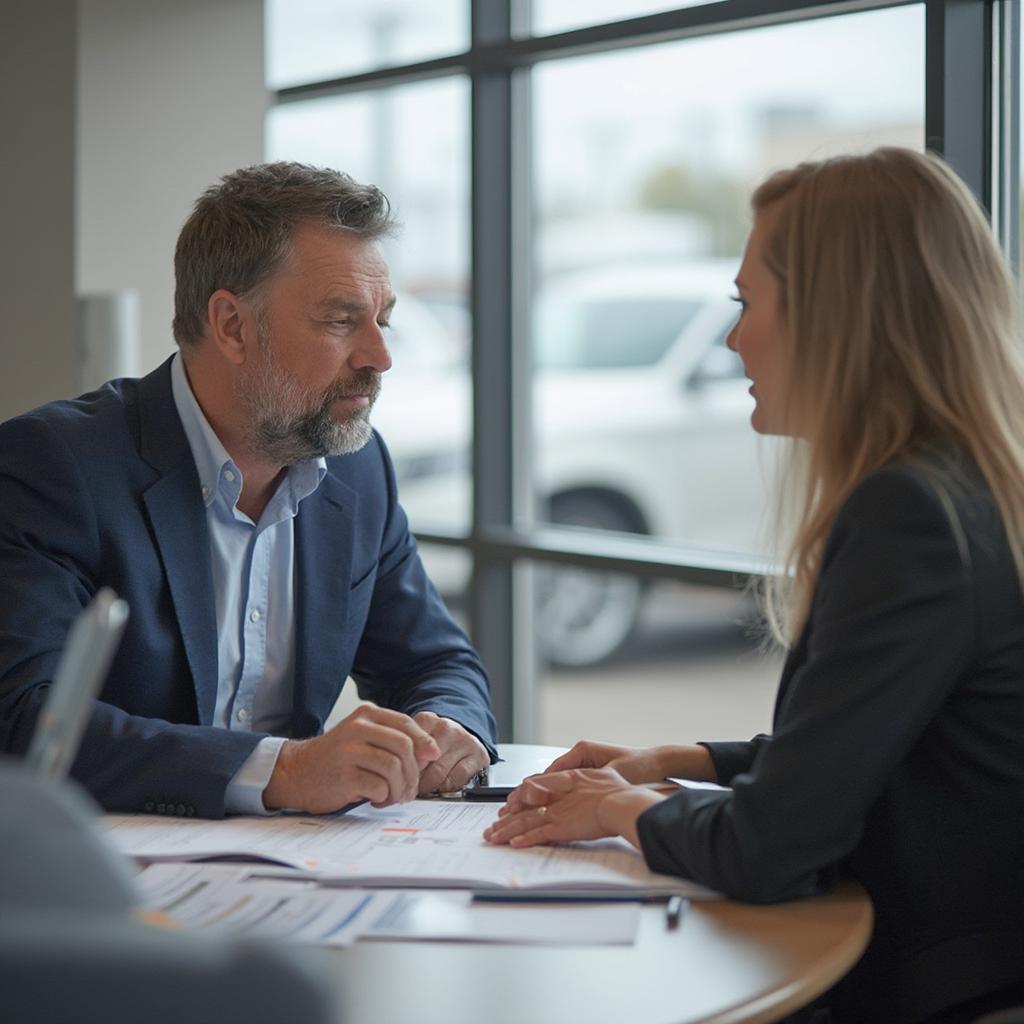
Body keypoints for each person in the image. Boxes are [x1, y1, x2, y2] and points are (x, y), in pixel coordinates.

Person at [484, 148, 1024, 1023]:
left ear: (836, 314)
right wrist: (678, 763)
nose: (735, 337)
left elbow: (772, 848)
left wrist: (624, 811)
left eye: (745, 303)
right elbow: (883, 754)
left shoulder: (909, 514)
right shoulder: (967, 485)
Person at [0, 161, 496, 819]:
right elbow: (27, 717)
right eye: (343, 320)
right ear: (232, 325)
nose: (380, 356)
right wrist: (277, 770)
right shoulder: (54, 466)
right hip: (105, 881)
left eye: (384, 319)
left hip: (293, 880)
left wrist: (446, 723)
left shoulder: (357, 467)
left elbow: (435, 659)